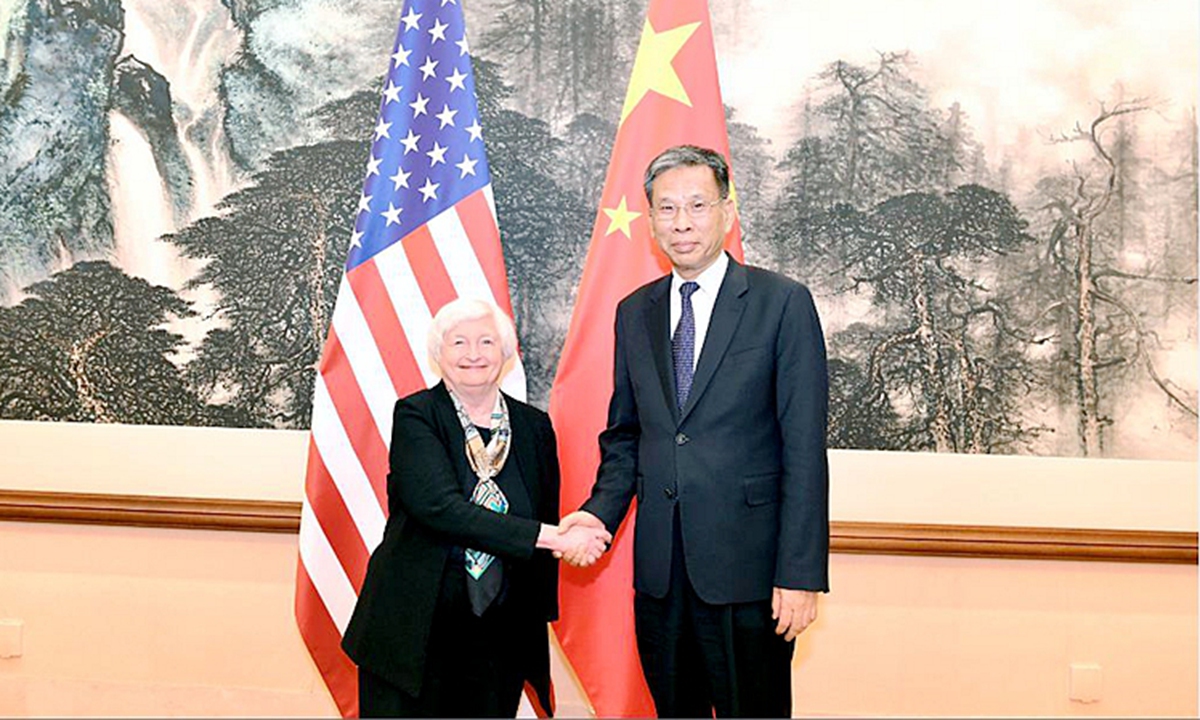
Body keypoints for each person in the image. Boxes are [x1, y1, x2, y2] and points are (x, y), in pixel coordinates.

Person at [559, 144, 830, 718]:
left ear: (727, 213)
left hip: (750, 575)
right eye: (666, 208)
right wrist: (599, 514)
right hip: (661, 576)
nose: (681, 222)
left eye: (697, 205)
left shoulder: (781, 303)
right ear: (651, 220)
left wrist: (800, 575)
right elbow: (627, 436)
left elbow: (805, 449)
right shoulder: (635, 312)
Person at [342, 297, 612, 718]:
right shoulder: (417, 415)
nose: (473, 354)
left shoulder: (534, 427)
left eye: (486, 341)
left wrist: (565, 547)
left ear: (505, 352)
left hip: (501, 628)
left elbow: (544, 507)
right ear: (439, 354)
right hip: (416, 624)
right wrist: (554, 537)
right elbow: (441, 508)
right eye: (459, 343)